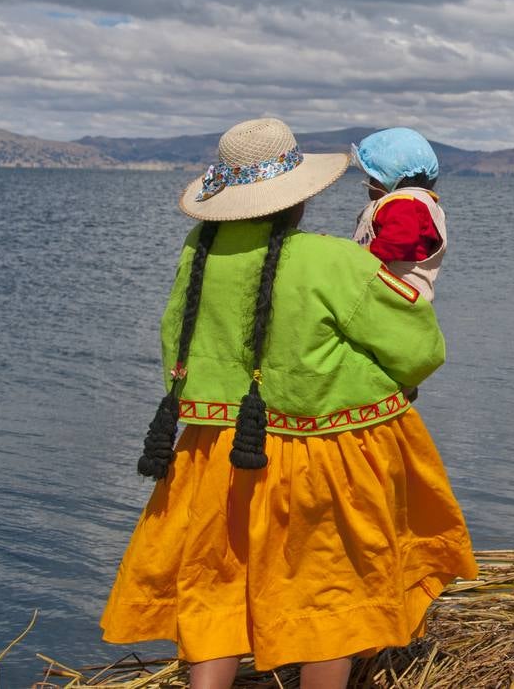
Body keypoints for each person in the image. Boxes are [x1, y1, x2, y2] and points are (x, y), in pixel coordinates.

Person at [100, 117, 476, 689]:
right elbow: (418, 348)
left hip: (214, 453)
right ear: (298, 199)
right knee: (329, 595)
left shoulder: (199, 255)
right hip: (322, 458)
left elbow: (176, 339)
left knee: (215, 584)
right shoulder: (336, 262)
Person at [351, 128, 447, 303]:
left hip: (397, 301)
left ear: (390, 177)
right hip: (406, 302)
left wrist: (361, 257)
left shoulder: (405, 204)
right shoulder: (419, 203)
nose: (369, 186)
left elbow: (400, 238)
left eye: (372, 179)